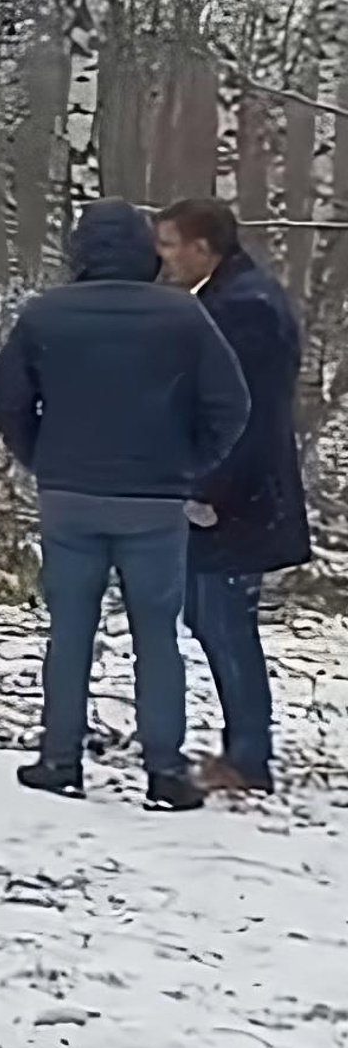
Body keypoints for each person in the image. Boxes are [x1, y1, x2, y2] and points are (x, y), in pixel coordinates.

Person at [0, 199, 250, 811]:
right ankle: (164, 771)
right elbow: (229, 405)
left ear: (79, 252)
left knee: (70, 630)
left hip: (69, 497)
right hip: (154, 502)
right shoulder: (183, 317)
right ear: (143, 250)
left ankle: (59, 759)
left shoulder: (45, 315)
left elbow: (7, 402)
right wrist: (188, 465)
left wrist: (43, 459)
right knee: (157, 634)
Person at [156, 198, 310, 794]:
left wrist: (207, 489)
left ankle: (248, 758)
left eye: (170, 244)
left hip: (237, 497)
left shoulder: (244, 309)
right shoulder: (232, 297)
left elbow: (241, 414)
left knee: (225, 620)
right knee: (208, 614)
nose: (162, 257)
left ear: (202, 247)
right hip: (232, 491)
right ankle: (245, 748)